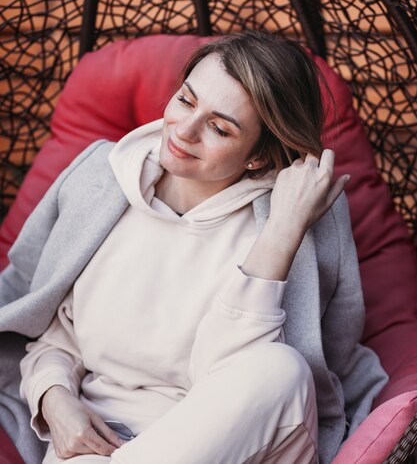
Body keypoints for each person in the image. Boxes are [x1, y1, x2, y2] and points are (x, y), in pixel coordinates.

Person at [0, 30, 387, 464]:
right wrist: (54, 399)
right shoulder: (101, 183)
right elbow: (54, 336)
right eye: (185, 100)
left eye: (219, 127)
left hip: (238, 443)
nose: (183, 130)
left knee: (280, 369)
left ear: (258, 156)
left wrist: (282, 232)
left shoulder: (290, 222)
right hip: (99, 443)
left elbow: (231, 378)